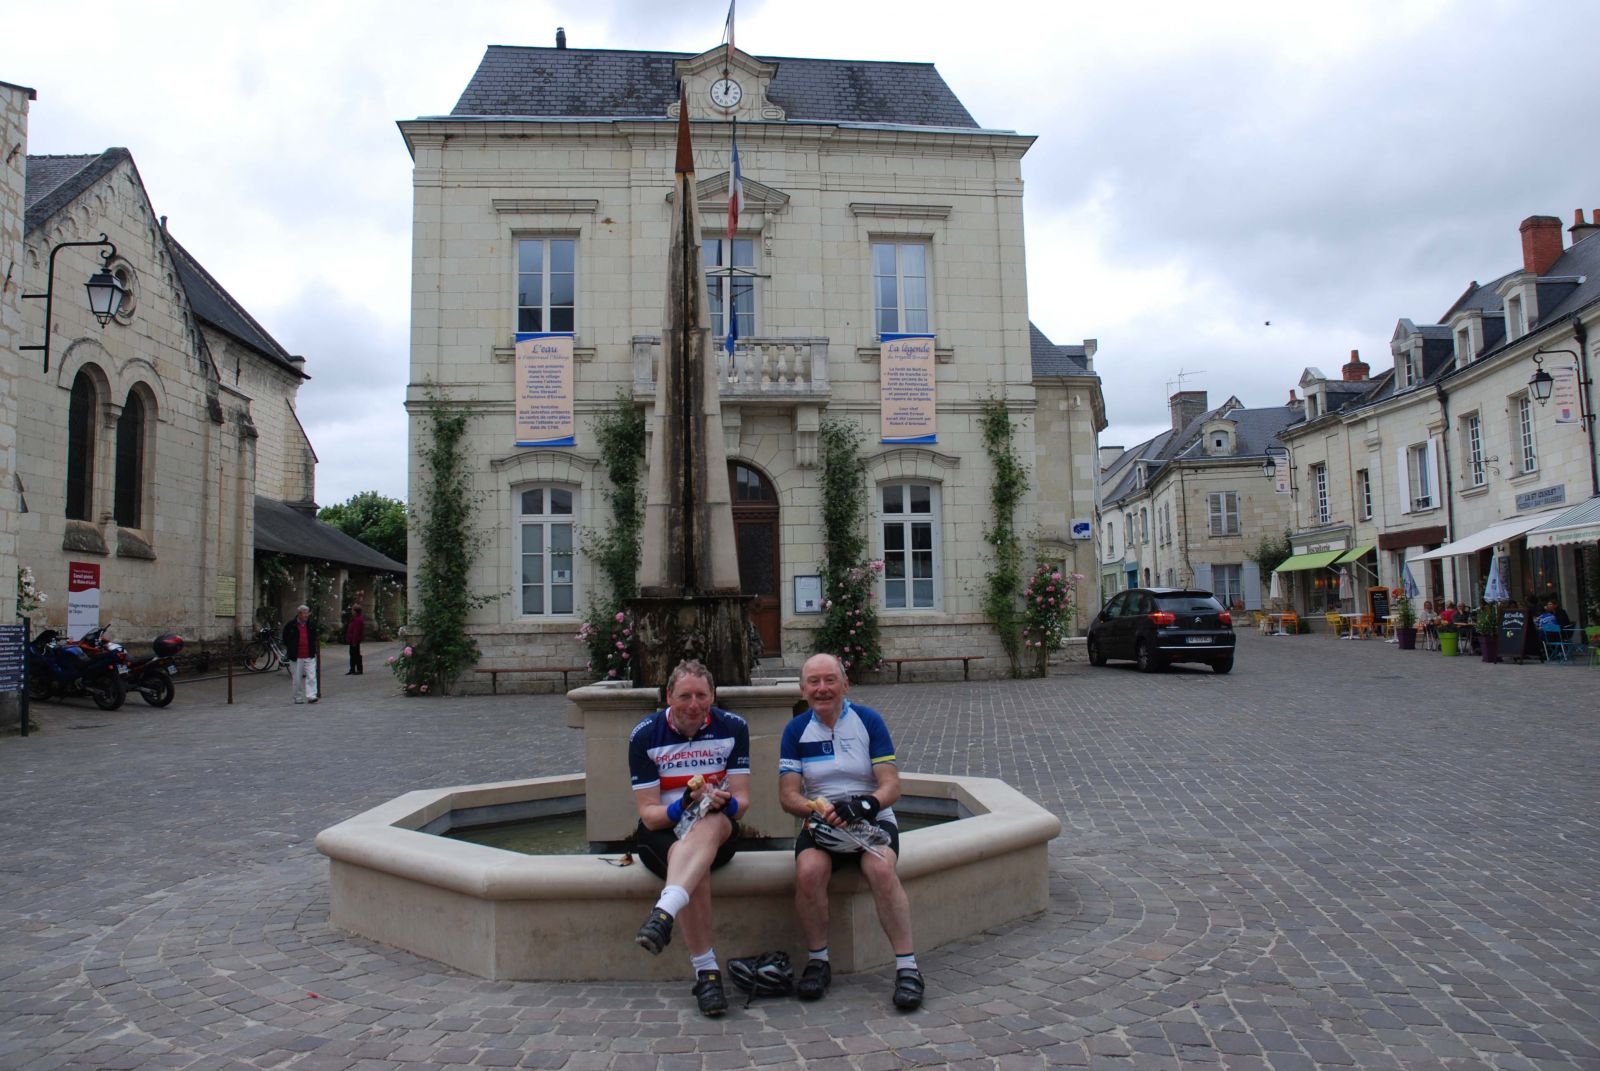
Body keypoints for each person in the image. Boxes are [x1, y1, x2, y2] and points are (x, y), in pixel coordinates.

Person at [779, 652, 924, 1011]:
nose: (822, 688)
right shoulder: (796, 730)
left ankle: (908, 967)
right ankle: (818, 960)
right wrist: (814, 808)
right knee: (809, 871)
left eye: (830, 680)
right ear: (802, 689)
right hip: (823, 824)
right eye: (814, 682)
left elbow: (891, 786)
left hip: (871, 819)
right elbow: (788, 796)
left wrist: (864, 805)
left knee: (880, 868)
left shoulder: (868, 721)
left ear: (845, 685)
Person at [628, 660, 750, 1017]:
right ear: (669, 696)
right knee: (694, 866)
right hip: (661, 832)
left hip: (717, 824)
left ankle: (665, 913)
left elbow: (742, 804)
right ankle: (707, 974)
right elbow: (649, 814)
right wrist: (684, 802)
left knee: (706, 827)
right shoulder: (645, 734)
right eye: (684, 696)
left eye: (701, 695)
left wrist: (722, 802)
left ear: (713, 695)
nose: (693, 705)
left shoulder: (734, 727)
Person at [282, 604, 319, 704]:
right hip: (296, 656)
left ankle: (311, 695)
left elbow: (314, 636)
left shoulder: (311, 624)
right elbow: (285, 639)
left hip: (309, 654)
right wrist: (291, 648)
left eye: (308, 613)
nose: (307, 615)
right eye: (305, 613)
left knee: (311, 676)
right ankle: (298, 697)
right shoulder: (291, 625)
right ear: (299, 614)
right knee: (297, 678)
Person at [344, 605, 366, 675]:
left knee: (356, 655)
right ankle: (352, 669)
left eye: (353, 610)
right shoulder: (355, 618)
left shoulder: (358, 620)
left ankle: (359, 669)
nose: (351, 612)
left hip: (355, 640)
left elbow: (356, 631)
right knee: (352, 654)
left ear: (356, 611)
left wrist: (354, 641)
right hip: (352, 639)